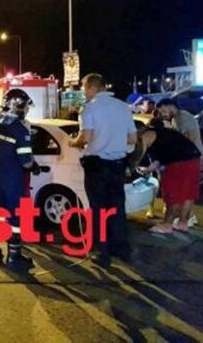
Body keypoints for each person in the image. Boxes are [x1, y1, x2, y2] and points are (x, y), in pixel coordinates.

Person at [69, 73, 137, 269]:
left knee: (97, 209)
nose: (83, 92)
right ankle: (121, 249)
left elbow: (86, 137)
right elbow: (132, 138)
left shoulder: (89, 108)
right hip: (118, 165)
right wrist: (115, 140)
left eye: (84, 88)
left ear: (92, 87)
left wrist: (73, 142)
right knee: (117, 207)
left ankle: (102, 252)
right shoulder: (123, 107)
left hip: (97, 166)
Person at [0, 88, 39, 272]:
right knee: (15, 214)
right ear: (17, 106)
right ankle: (14, 257)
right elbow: (26, 161)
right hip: (12, 177)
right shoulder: (20, 129)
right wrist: (33, 166)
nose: (26, 109)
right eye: (25, 106)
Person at [137, 126, 202, 233]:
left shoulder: (146, 135)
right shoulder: (164, 135)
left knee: (174, 195)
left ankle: (167, 225)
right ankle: (182, 223)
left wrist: (131, 165)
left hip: (178, 162)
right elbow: (158, 159)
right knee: (188, 194)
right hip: (193, 158)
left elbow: (139, 154)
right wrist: (148, 169)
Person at [156, 98, 203, 227]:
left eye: (164, 110)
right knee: (187, 191)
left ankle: (184, 220)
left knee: (184, 191)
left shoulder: (184, 117)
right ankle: (185, 220)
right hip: (190, 157)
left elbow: (190, 138)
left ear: (170, 105)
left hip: (189, 158)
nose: (163, 114)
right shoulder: (176, 118)